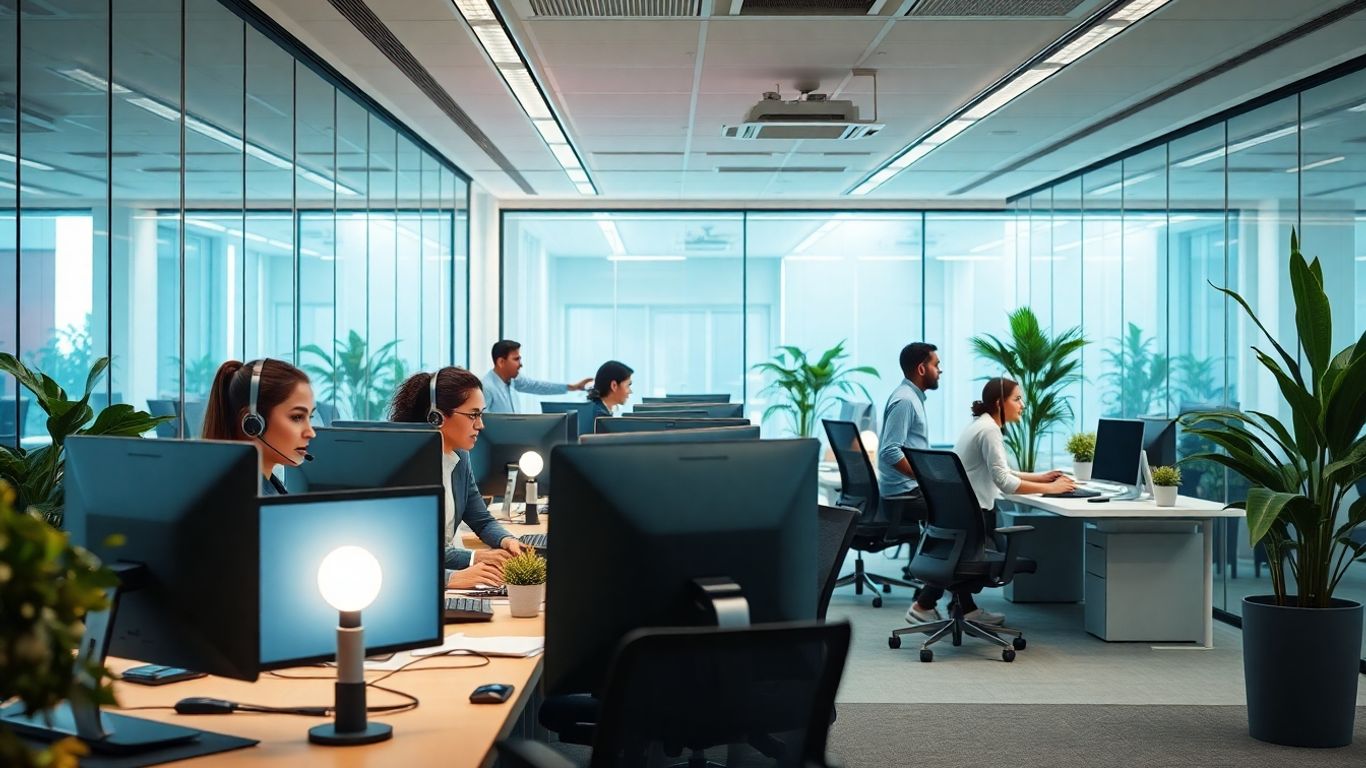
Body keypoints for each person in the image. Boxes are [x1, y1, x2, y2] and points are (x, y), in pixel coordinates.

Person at [922, 377, 1076, 626]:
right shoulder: (990, 430)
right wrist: (1052, 488)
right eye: (1016, 399)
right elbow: (1004, 482)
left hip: (961, 515)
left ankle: (963, 608)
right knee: (974, 557)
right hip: (973, 516)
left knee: (961, 557)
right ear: (998, 403)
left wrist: (1040, 477)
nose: (1022, 405)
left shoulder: (980, 425)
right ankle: (926, 605)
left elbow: (999, 471)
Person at [389, 367, 525, 589]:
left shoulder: (459, 456)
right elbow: (411, 552)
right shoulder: (404, 468)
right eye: (473, 415)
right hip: (426, 585)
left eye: (481, 414)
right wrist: (472, 559)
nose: (481, 425)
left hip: (454, 579)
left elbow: (481, 519)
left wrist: (507, 540)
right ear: (437, 417)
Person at [875, 343, 963, 625]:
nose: (940, 371)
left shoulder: (913, 399)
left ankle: (965, 605)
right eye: (937, 365)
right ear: (922, 368)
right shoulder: (905, 401)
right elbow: (890, 452)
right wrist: (927, 480)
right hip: (904, 494)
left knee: (962, 519)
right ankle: (926, 603)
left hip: (910, 489)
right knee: (962, 520)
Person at [203, 358, 316, 496]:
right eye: (297, 417)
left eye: (310, 418)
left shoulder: (267, 486)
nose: (310, 433)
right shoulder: (242, 501)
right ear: (253, 422)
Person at [482, 339, 592, 414]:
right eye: (516, 359)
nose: (521, 364)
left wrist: (572, 387)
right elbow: (482, 425)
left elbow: (538, 386)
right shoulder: (486, 388)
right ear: (501, 362)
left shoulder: (514, 380)